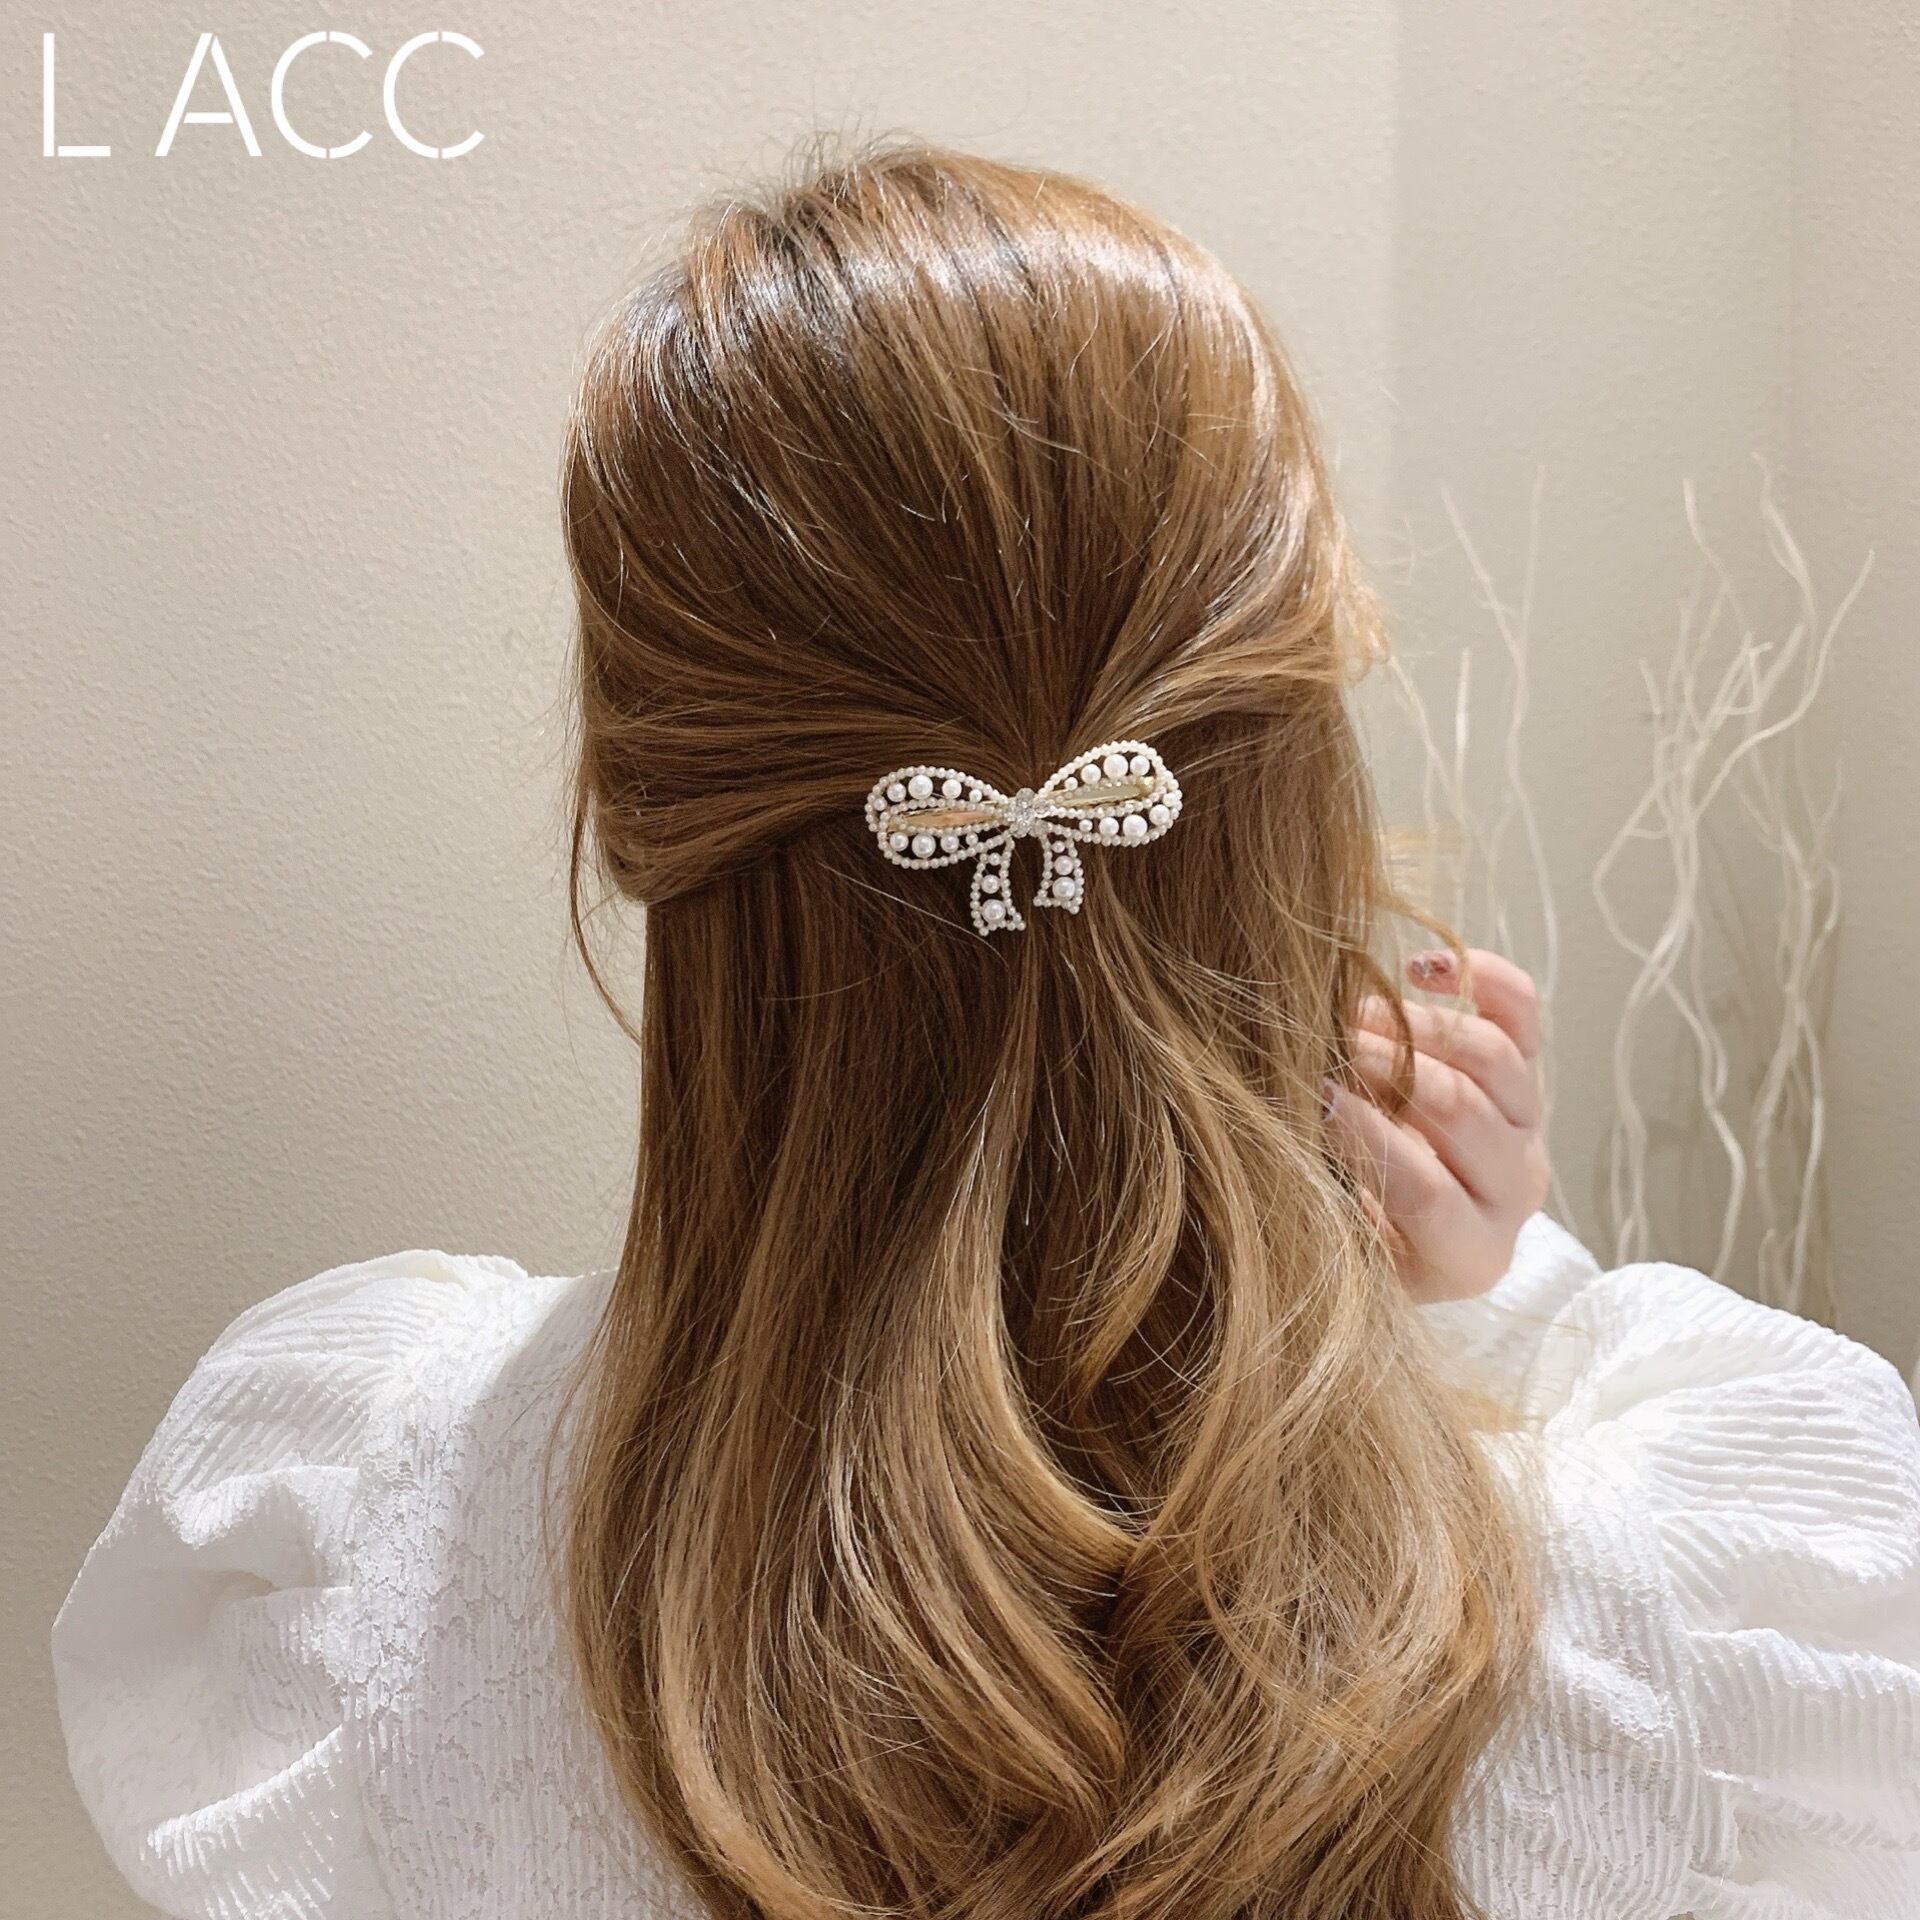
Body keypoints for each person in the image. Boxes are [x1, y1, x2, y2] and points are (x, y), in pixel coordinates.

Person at [54, 143, 1920, 1920]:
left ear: (646, 806)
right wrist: (1475, 1298)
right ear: (1291, 768)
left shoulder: (374, 1550)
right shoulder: (1692, 1636)